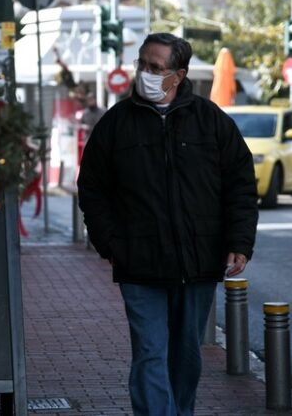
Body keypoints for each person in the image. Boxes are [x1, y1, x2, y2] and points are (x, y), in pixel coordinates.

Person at [77, 33, 258, 416]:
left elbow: (241, 183)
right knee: (149, 352)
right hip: (139, 264)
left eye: (155, 67)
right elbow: (92, 188)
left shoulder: (211, 121)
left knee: (186, 357)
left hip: (198, 263)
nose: (145, 73)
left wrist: (239, 241)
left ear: (179, 74)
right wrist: (111, 244)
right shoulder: (116, 124)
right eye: (142, 64)